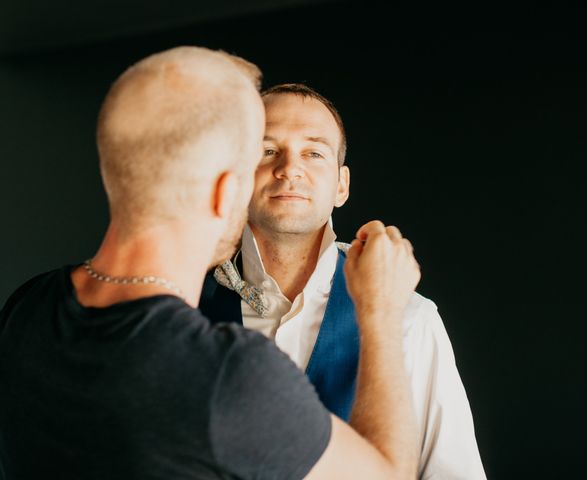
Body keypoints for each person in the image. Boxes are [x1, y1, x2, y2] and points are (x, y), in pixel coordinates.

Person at [0, 47, 422, 479]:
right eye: (261, 156)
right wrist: (383, 314)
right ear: (227, 193)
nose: (287, 171)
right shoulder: (228, 375)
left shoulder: (24, 308)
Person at [199, 83, 487, 479]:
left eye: (314, 152)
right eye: (267, 151)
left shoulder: (410, 318)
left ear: (341, 185)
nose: (289, 168)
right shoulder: (185, 311)